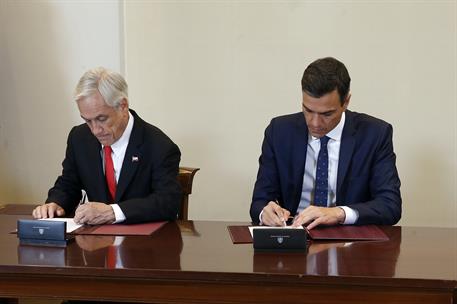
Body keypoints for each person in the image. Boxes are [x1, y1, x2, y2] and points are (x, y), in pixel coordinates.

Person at [250, 57, 401, 229]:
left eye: (327, 114)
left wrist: (338, 213)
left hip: (349, 243)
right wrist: (266, 212)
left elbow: (390, 206)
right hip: (294, 237)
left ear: (346, 102)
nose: (314, 123)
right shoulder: (279, 131)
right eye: (308, 110)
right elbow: (259, 201)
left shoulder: (375, 134)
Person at [32, 67, 182, 225]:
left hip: (143, 244)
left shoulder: (159, 146)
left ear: (123, 106)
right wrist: (55, 203)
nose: (95, 130)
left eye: (102, 119)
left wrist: (113, 212)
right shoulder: (79, 138)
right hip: (95, 243)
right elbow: (69, 183)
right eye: (88, 121)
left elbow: (168, 202)